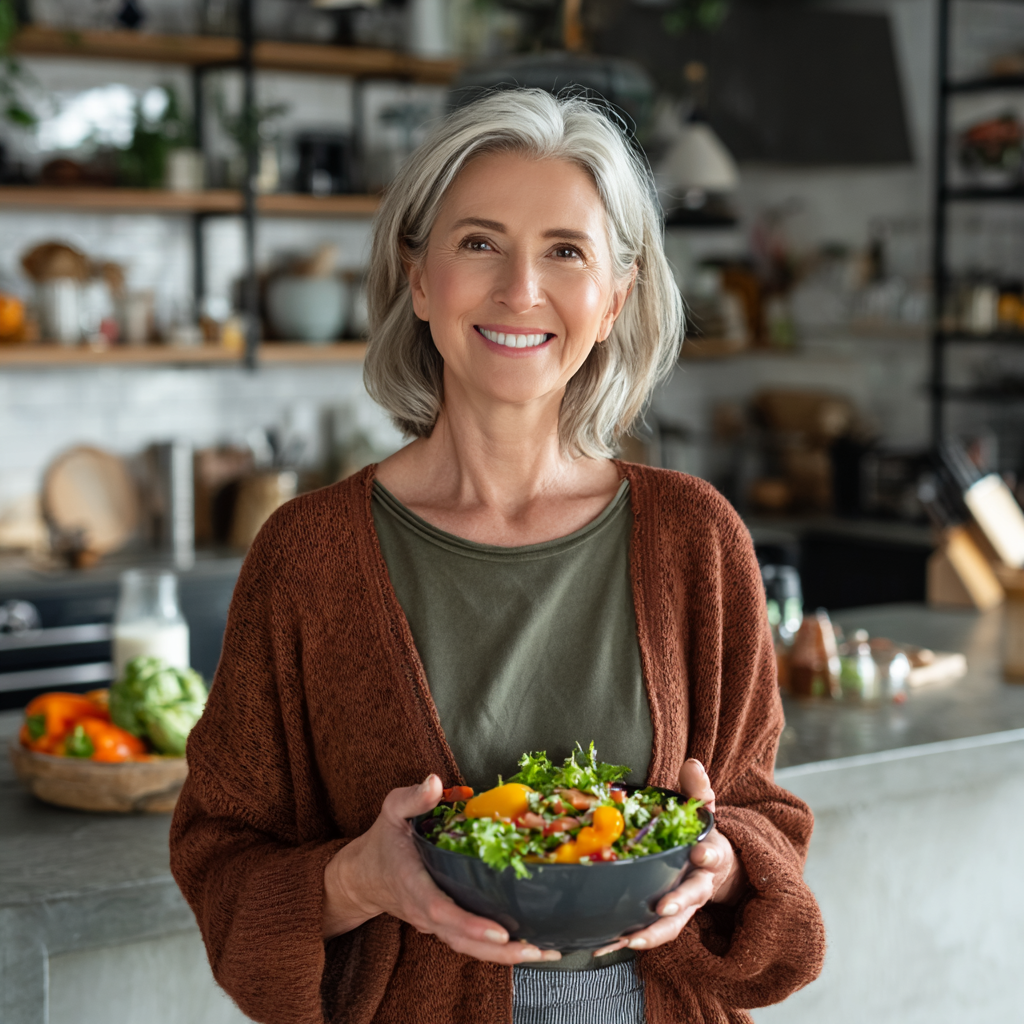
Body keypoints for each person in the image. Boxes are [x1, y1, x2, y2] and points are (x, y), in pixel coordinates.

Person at [170, 89, 825, 1024]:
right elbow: (220, 854)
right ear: (420, 277)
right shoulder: (307, 555)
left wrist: (723, 867)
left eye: (566, 251)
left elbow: (764, 818)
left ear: (615, 299)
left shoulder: (697, 539)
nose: (522, 290)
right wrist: (363, 877)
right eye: (479, 243)